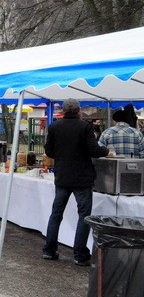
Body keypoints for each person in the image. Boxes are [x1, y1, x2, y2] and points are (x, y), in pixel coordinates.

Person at [42, 98, 109, 265]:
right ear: (79, 110)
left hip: (62, 177)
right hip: (82, 178)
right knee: (84, 216)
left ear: (63, 111)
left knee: (56, 214)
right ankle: (80, 255)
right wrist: (106, 151)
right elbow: (93, 150)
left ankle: (49, 250)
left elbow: (49, 151)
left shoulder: (54, 127)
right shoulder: (85, 127)